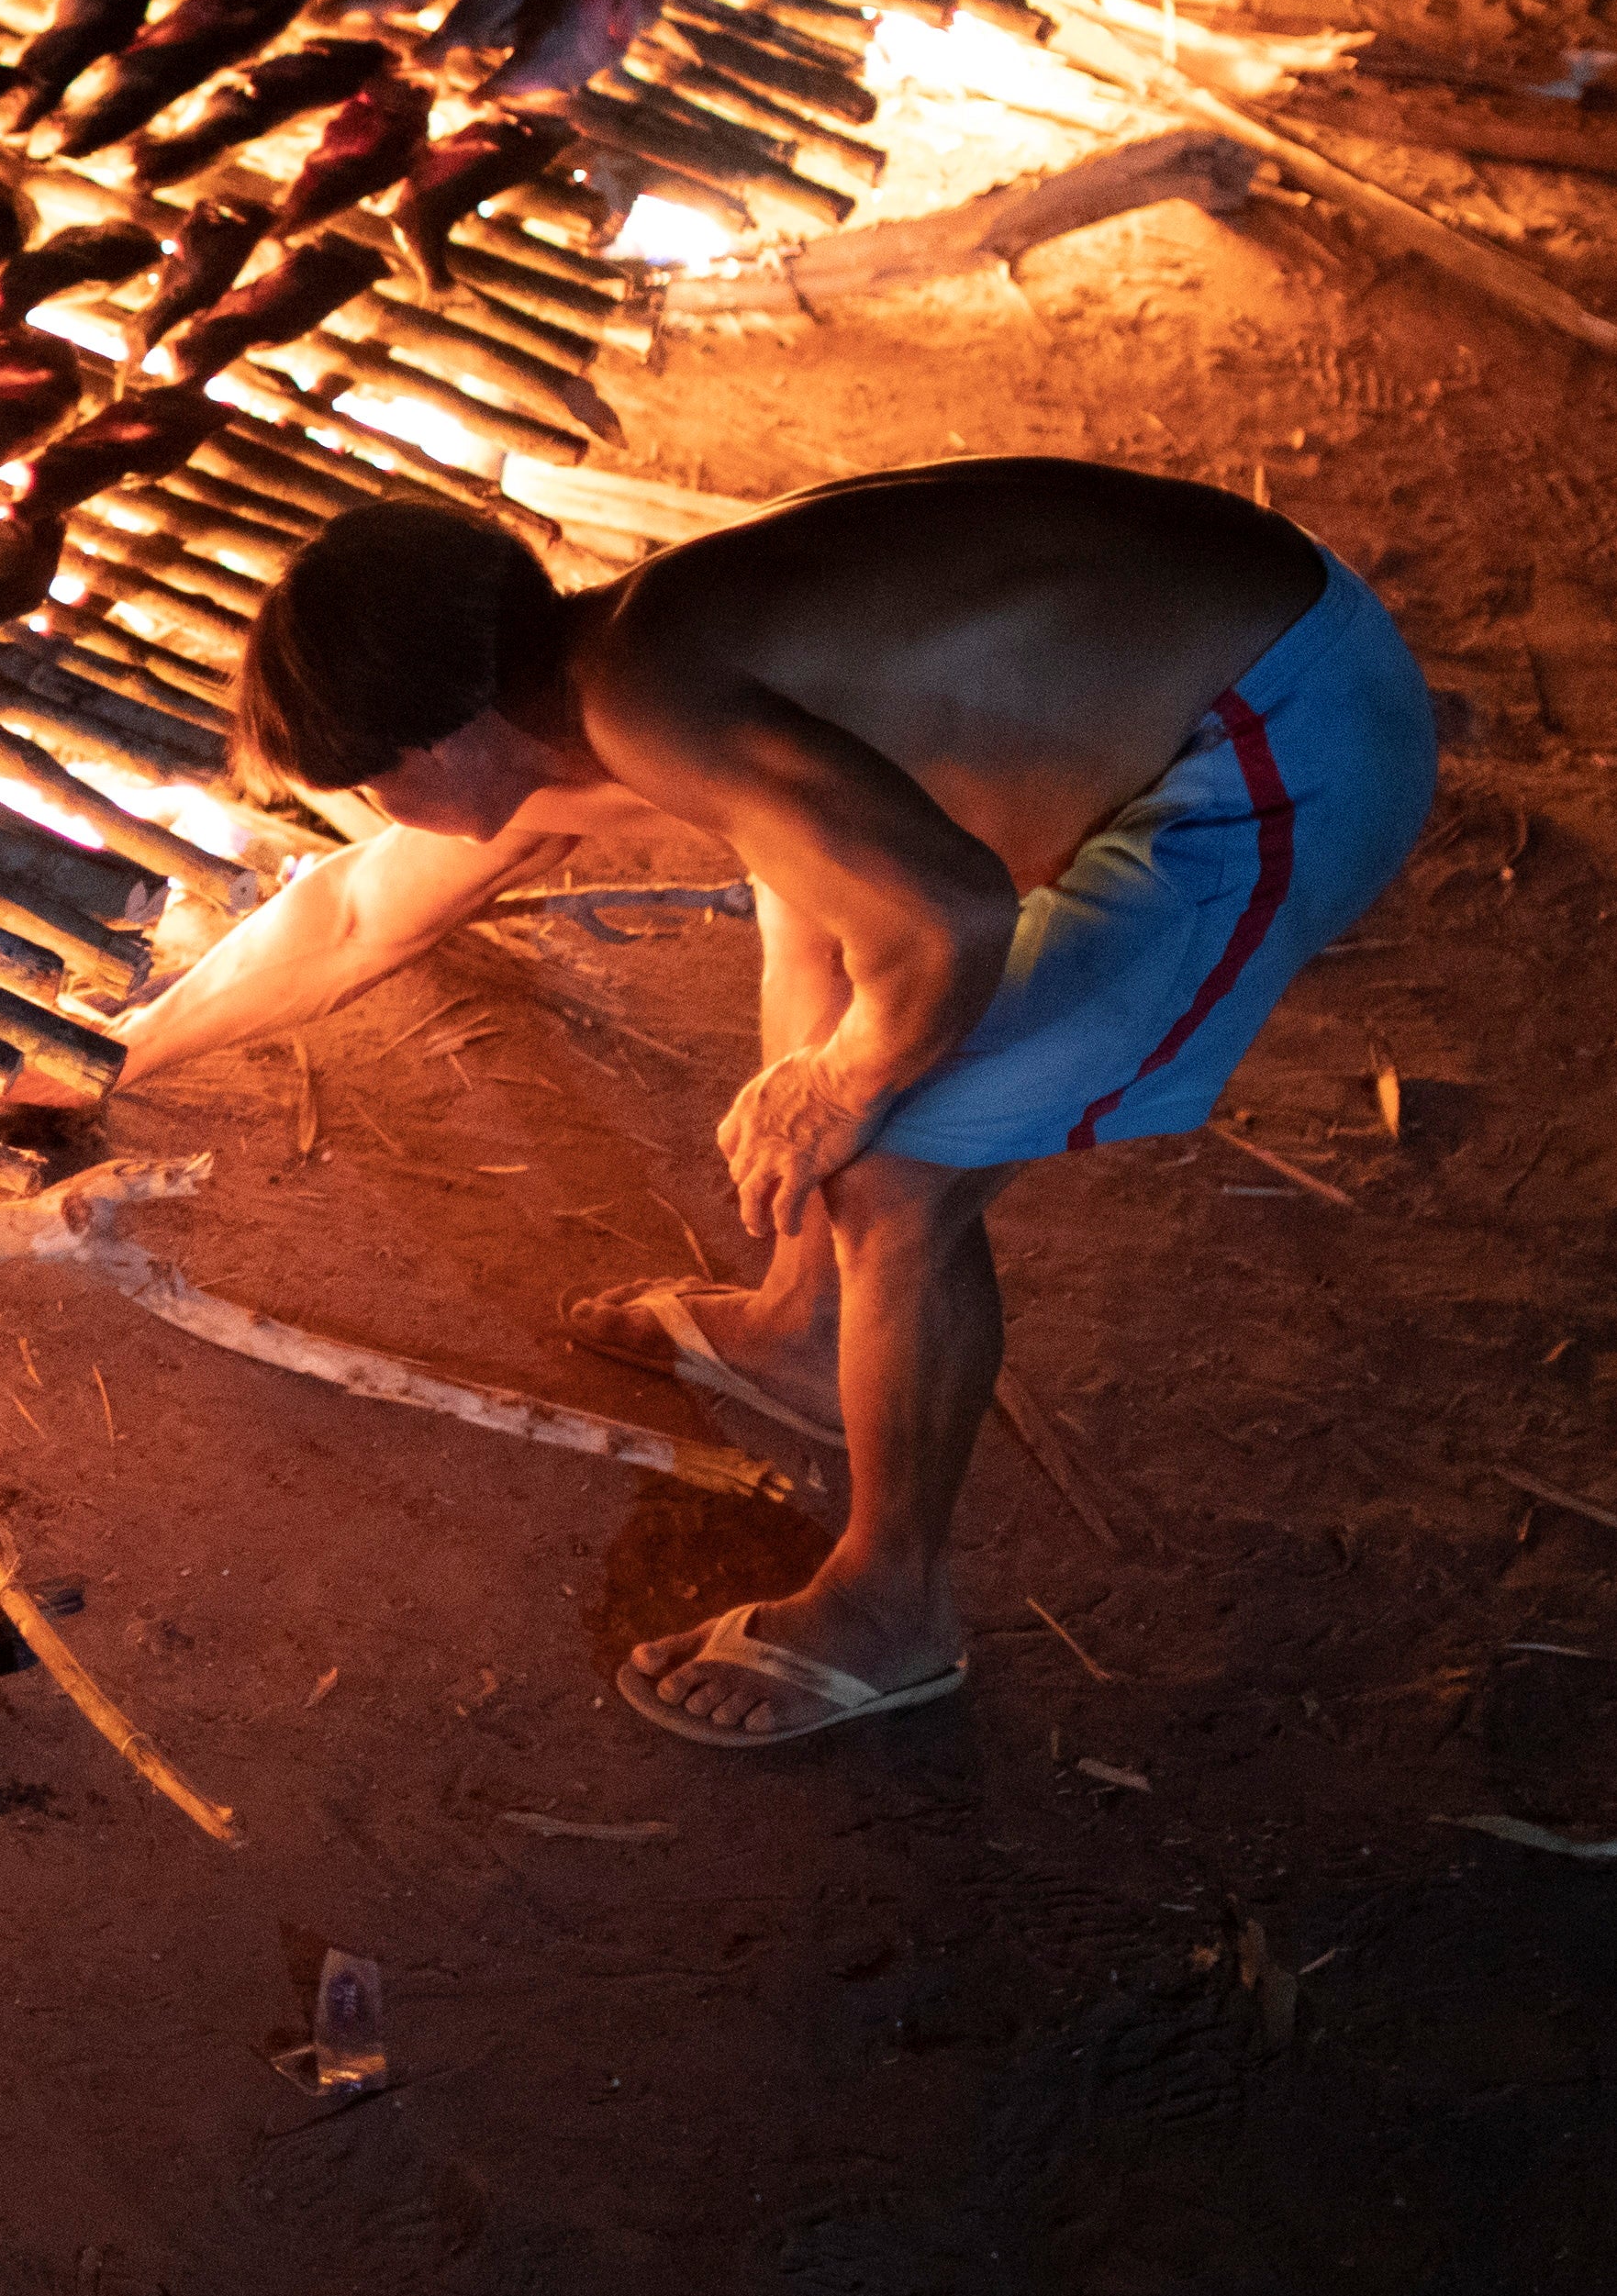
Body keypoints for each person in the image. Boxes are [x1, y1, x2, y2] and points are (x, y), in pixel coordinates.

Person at [98, 460, 1431, 1746]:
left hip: (1275, 748)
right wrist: (114, 1056)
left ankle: (890, 1608)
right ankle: (806, 1331)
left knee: (886, 1164)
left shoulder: (646, 703)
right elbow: (352, 915)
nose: (373, 811)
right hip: (1248, 640)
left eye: (368, 778)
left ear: (445, 733)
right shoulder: (585, 671)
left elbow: (953, 914)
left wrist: (840, 1085)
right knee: (806, 903)